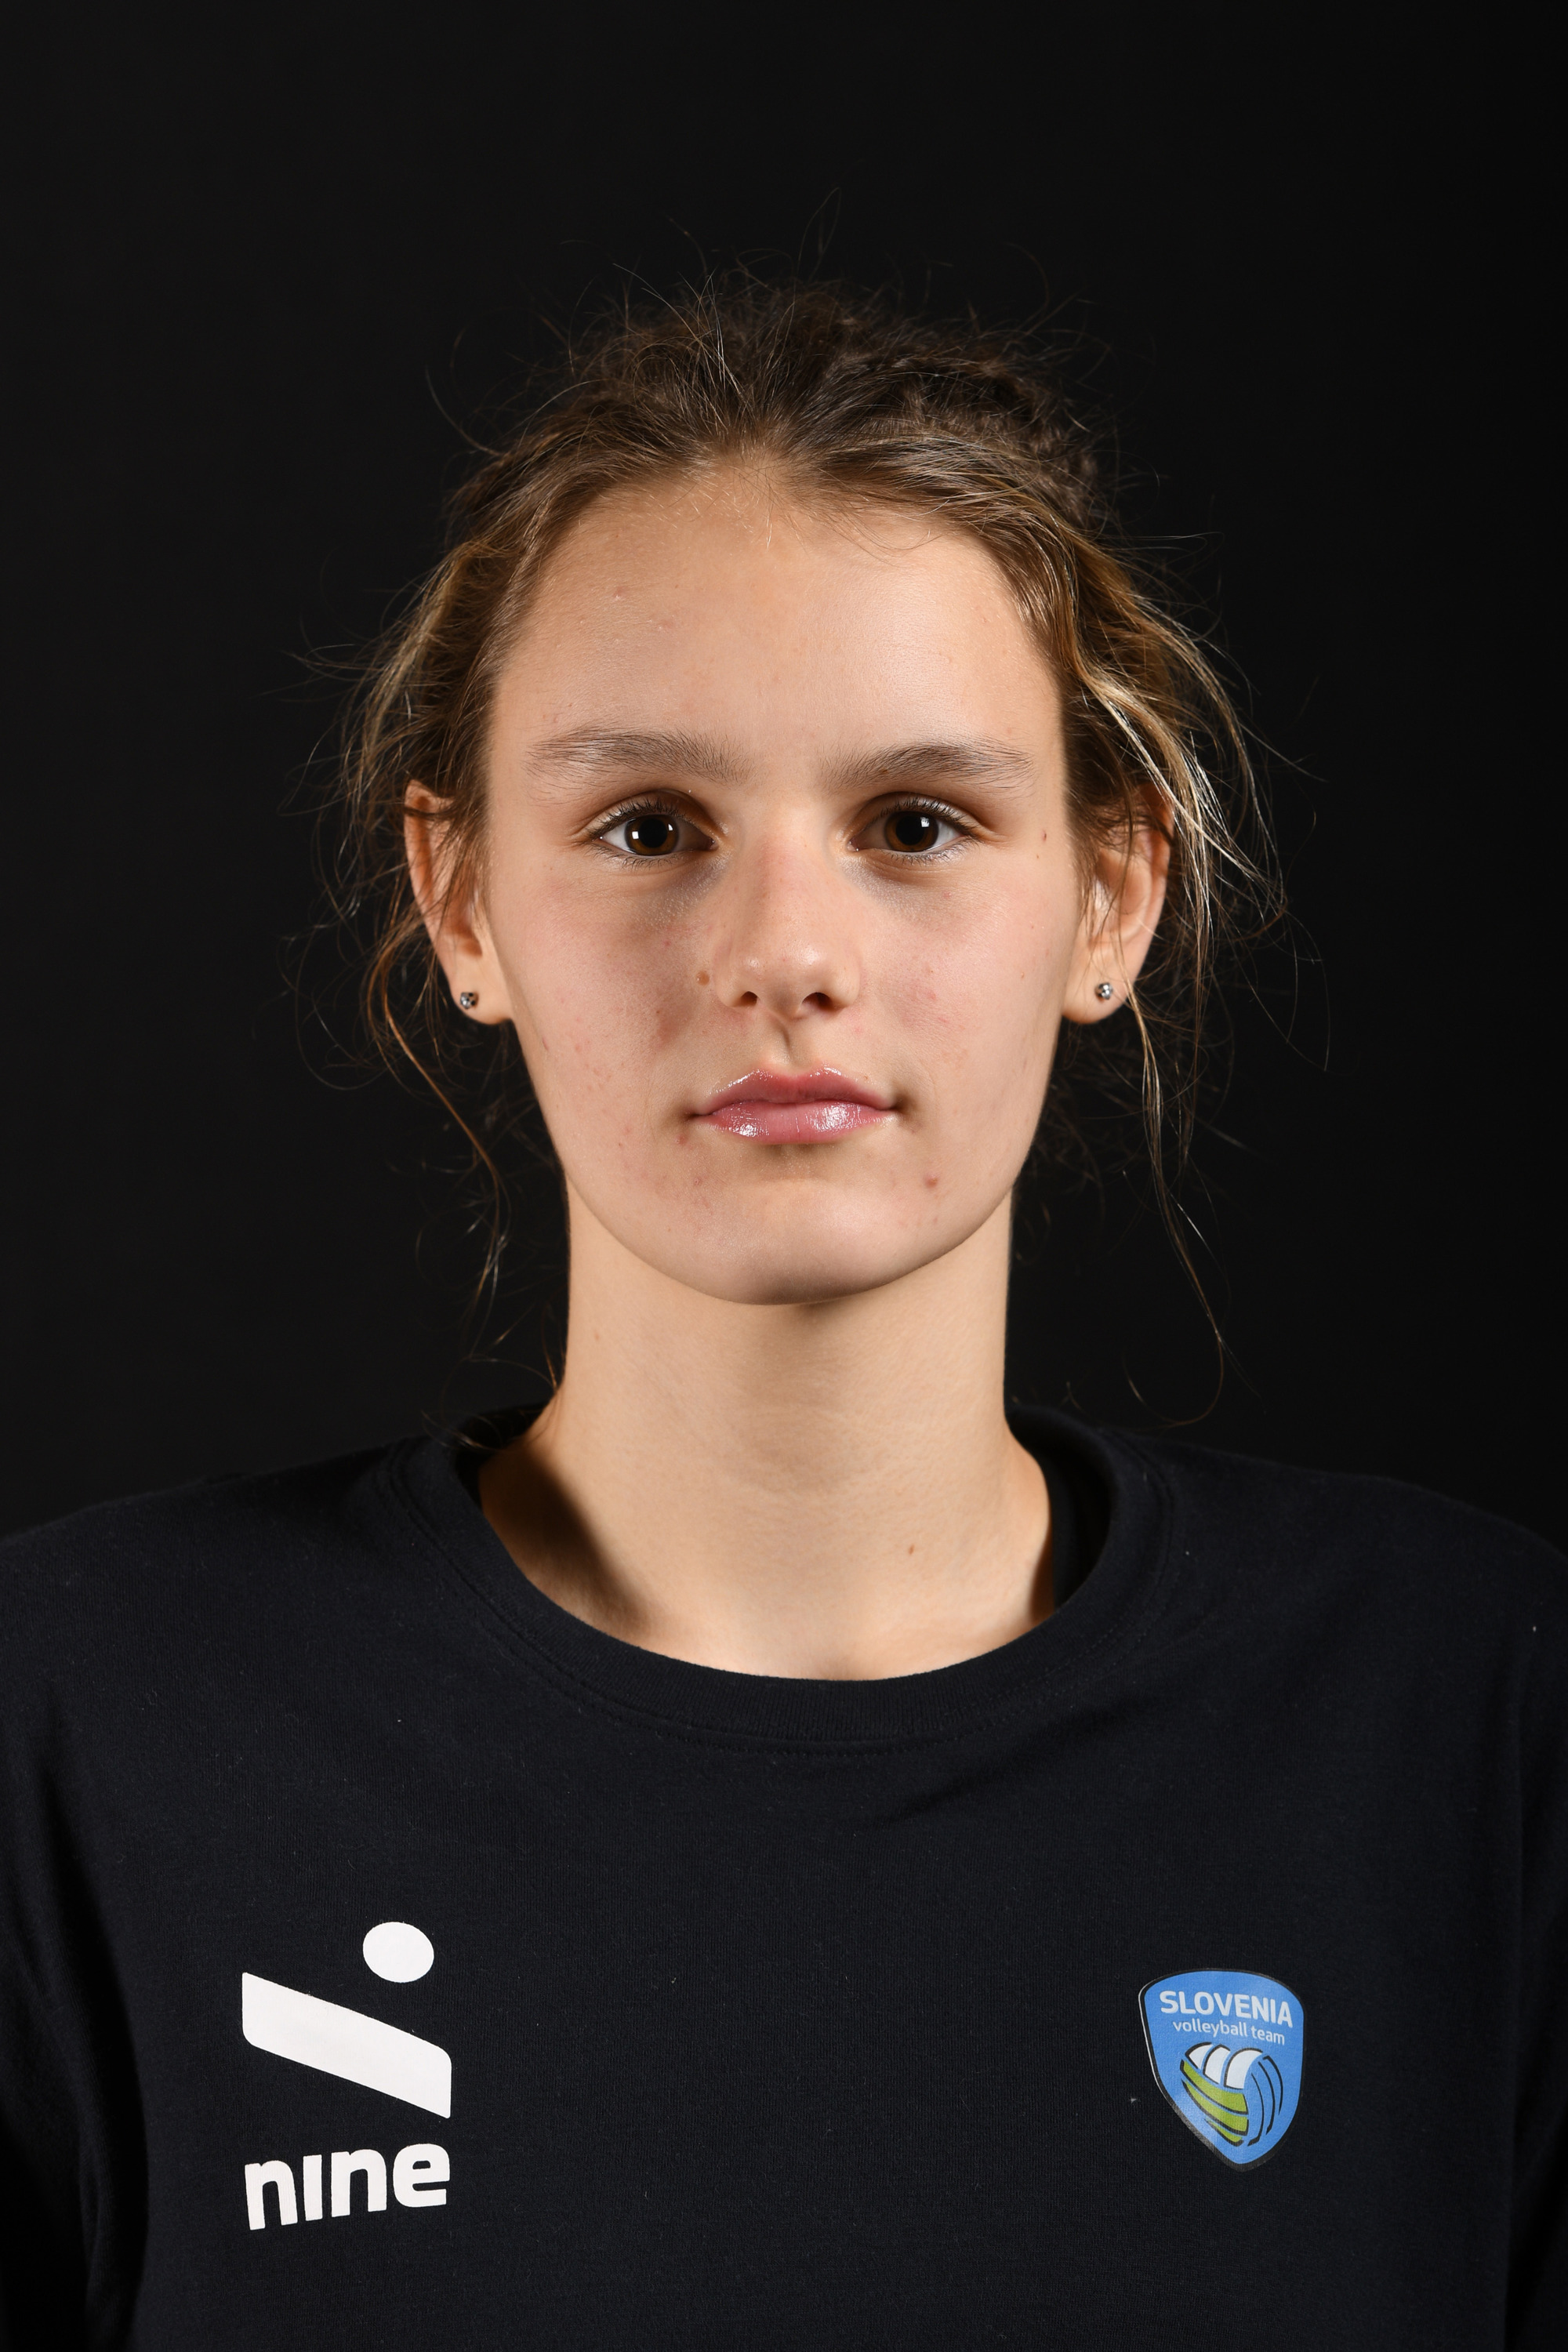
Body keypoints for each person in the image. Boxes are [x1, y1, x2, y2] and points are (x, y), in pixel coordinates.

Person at [1, 280, 1562, 2352]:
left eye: (918, 826)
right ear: (461, 900)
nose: (785, 952)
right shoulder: (81, 1725)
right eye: (649, 829)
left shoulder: (1469, 1719)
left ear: (1112, 893)